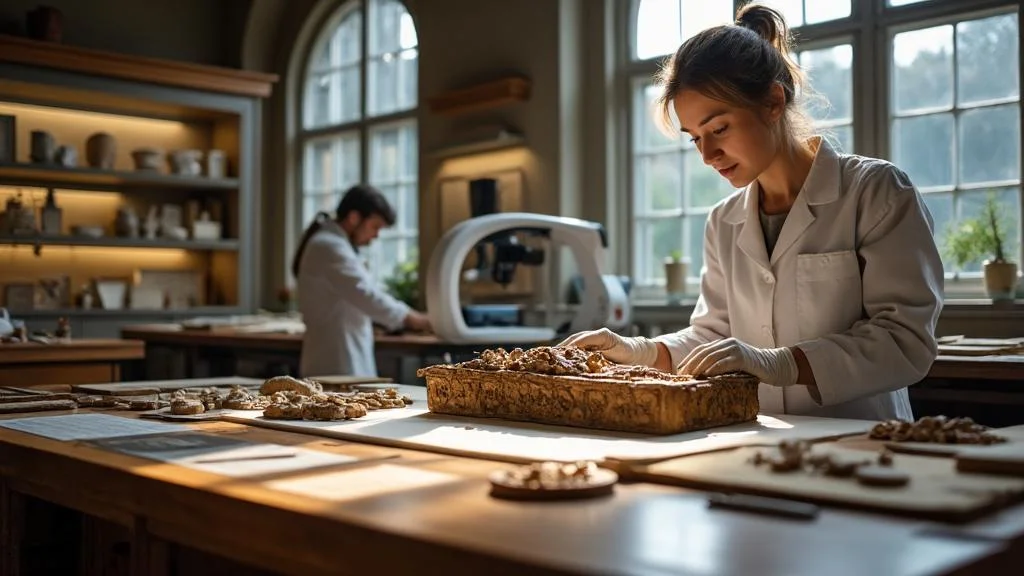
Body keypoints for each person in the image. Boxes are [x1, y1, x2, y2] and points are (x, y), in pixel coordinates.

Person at [559, 3, 943, 421]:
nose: (707, 155)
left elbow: (904, 341)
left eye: (719, 128)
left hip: (864, 446)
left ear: (773, 101)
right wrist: (639, 350)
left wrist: (780, 363)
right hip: (758, 445)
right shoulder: (724, 221)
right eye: (695, 138)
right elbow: (714, 337)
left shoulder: (876, 192)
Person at [293, 184, 431, 377]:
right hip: (336, 361)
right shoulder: (329, 246)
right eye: (374, 226)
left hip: (340, 354)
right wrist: (412, 318)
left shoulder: (333, 244)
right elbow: (365, 294)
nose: (375, 235)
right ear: (354, 218)